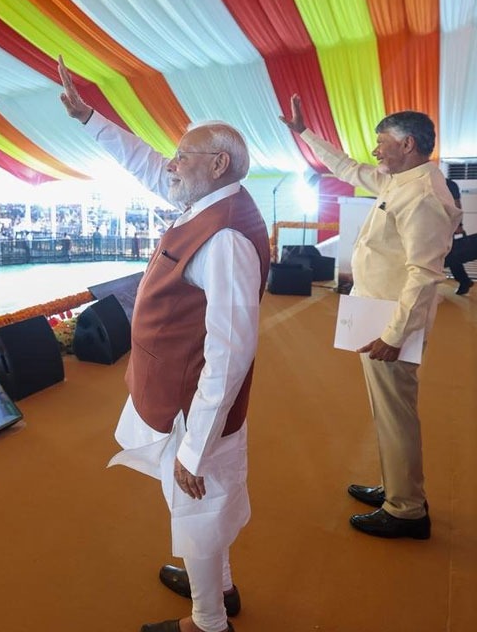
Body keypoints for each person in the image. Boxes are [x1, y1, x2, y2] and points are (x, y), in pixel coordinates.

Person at [59, 55, 269, 632]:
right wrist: (89, 119)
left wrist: (195, 446)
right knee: (204, 504)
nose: (170, 164)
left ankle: (207, 621)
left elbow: (231, 350)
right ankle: (219, 587)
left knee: (197, 505)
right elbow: (147, 165)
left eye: (183, 156)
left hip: (192, 403)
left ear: (218, 164)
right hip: (179, 390)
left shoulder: (225, 236)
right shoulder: (209, 203)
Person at [280, 95, 460, 540]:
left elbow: (424, 275)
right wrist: (304, 133)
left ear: (408, 144)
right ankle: (397, 488)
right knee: (388, 411)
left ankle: (406, 510)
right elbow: (345, 168)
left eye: (383, 143)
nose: (376, 151)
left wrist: (394, 335)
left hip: (391, 320)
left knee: (396, 413)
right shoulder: (401, 181)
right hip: (377, 310)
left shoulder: (421, 195)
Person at [444, 178, 473, 295]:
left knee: (449, 255)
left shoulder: (448, 184)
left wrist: (458, 225)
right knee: (449, 255)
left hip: (445, 225)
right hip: (435, 225)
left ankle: (464, 280)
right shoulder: (447, 183)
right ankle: (464, 280)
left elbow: (457, 206)